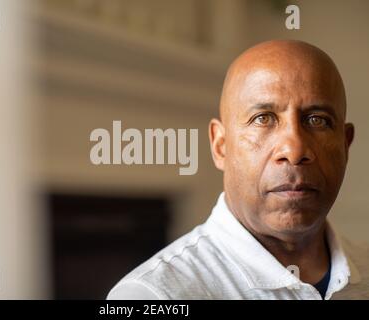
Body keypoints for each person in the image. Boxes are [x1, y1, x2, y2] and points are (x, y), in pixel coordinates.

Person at [107, 40, 369, 299]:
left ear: (345, 145)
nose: (294, 149)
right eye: (263, 119)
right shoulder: (153, 295)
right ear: (220, 146)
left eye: (318, 120)